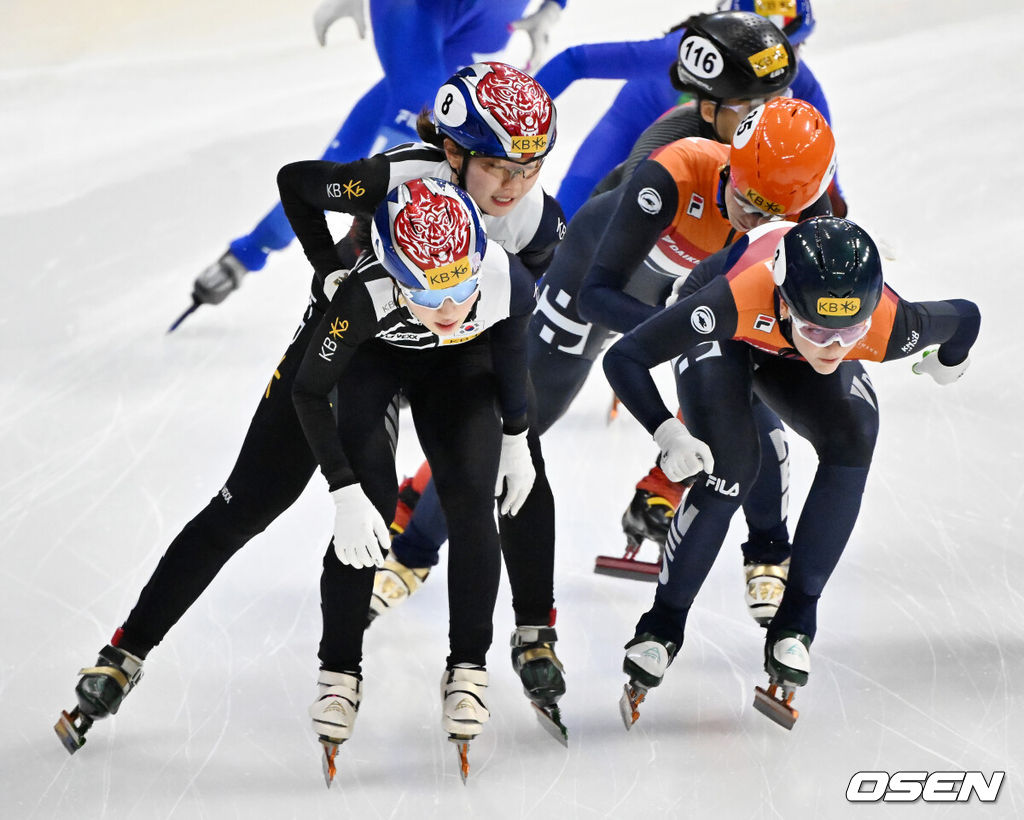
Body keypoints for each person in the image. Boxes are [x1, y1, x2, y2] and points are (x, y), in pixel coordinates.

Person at [54, 62, 566, 756]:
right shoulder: (397, 176)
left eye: (530, 168)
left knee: (508, 470)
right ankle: (126, 650)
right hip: (356, 339)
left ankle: (534, 631)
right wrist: (326, 265)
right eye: (500, 169)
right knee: (249, 502)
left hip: (453, 350)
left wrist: (512, 425)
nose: (514, 188)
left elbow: (512, 333)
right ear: (451, 150)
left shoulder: (536, 221)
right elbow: (300, 182)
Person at [380, 12, 816, 627]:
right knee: (522, 419)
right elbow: (600, 283)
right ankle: (416, 546)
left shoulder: (773, 140)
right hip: (600, 270)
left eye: (781, 100)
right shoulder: (671, 156)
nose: (771, 119)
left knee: (748, 389)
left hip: (683, 277)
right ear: (709, 104)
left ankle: (766, 549)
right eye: (753, 107)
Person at [603, 216, 980, 727]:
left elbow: (966, 317)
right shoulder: (729, 301)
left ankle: (797, 618)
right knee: (732, 467)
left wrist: (948, 362)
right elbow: (624, 357)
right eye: (819, 330)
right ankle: (663, 623)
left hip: (782, 341)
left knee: (853, 437)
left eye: (851, 330)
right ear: (784, 301)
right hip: (730, 330)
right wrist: (667, 432)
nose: (835, 347)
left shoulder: (893, 324)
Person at [291, 176, 537, 773]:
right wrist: (342, 488)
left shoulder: (505, 278)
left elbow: (510, 360)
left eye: (461, 291)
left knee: (472, 503)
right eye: (428, 298)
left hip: (457, 371)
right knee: (371, 510)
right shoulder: (362, 293)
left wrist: (518, 439)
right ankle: (338, 669)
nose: (450, 312)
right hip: (374, 358)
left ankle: (468, 666)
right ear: (393, 276)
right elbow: (308, 390)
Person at [176, 0, 567, 326]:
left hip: (473, 28)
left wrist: (553, 7)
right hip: (416, 12)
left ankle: (245, 255)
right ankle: (385, 316)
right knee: (395, 171)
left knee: (352, 162)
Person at [535, 0, 841, 219]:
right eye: (763, 54)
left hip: (694, 152)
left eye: (796, 49)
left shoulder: (800, 82)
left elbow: (823, 168)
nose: (778, 70)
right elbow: (576, 61)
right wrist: (512, 115)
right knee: (564, 227)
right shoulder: (678, 50)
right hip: (632, 124)